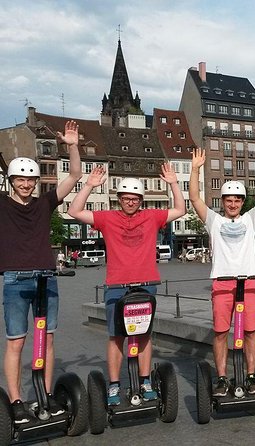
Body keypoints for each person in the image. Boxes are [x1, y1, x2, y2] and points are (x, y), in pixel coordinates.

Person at [68, 164, 185, 406]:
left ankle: (145, 381)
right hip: (117, 285)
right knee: (116, 336)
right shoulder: (107, 218)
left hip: (146, 284)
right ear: (119, 199)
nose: (130, 202)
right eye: (126, 198)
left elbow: (181, 209)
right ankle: (113, 385)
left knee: (144, 335)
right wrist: (89, 185)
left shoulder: (152, 216)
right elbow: (74, 211)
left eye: (135, 198)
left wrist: (173, 183)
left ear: (141, 200)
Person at [1, 120, 82, 423]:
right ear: (11, 180)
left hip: (46, 278)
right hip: (15, 280)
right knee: (16, 341)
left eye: (30, 180)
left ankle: (44, 394)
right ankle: (17, 399)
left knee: (46, 339)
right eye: (20, 179)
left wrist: (72, 146)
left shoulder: (45, 203)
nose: (26, 184)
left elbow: (74, 175)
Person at [189, 147, 255, 397]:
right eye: (229, 199)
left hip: (248, 283)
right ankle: (221, 378)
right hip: (223, 284)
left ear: (242, 202)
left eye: (237, 200)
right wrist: (195, 168)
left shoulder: (250, 219)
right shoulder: (214, 221)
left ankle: (250, 376)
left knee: (250, 332)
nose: (233, 203)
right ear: (223, 201)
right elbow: (195, 198)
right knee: (220, 333)